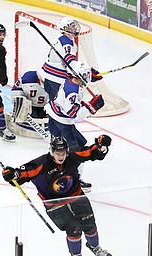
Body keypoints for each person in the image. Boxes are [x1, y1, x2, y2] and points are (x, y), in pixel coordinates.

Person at [2, 135, 112, 256]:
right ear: (52, 152)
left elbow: (92, 152)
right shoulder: (41, 164)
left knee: (89, 224)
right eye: (58, 153)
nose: (61, 157)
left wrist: (102, 147)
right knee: (74, 229)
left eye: (63, 153)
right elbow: (22, 174)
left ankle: (95, 248)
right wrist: (12, 174)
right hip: (54, 203)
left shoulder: (73, 156)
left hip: (76, 196)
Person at [44, 61, 105, 192]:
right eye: (86, 75)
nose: (88, 76)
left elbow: (74, 69)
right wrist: (92, 108)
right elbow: (73, 113)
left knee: (59, 147)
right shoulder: (73, 90)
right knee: (77, 150)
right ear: (80, 75)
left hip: (54, 115)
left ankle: (54, 172)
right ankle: (73, 179)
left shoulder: (70, 80)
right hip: (62, 122)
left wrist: (89, 76)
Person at [39, 16, 103, 101]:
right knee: (60, 108)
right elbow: (70, 64)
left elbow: (68, 64)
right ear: (65, 28)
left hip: (50, 78)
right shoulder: (67, 43)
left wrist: (87, 72)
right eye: (72, 26)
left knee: (53, 106)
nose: (75, 28)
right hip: (56, 80)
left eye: (74, 25)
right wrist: (88, 73)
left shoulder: (63, 40)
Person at [6, 70, 49, 138]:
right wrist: (20, 104)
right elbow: (16, 90)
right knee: (32, 115)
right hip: (29, 106)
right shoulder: (28, 78)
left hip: (42, 105)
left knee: (44, 116)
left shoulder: (57, 80)